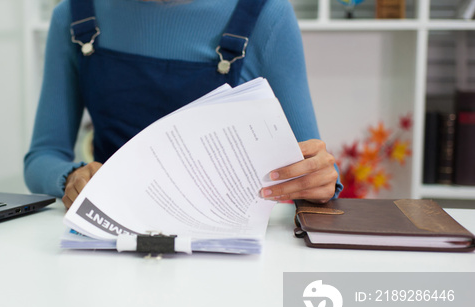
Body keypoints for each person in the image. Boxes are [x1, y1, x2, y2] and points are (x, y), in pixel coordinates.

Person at [24, 0, 342, 209]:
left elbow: (312, 165)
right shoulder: (75, 13)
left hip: (225, 248)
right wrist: (73, 176)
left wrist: (321, 178)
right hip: (110, 238)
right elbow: (43, 157)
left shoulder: (266, 14)